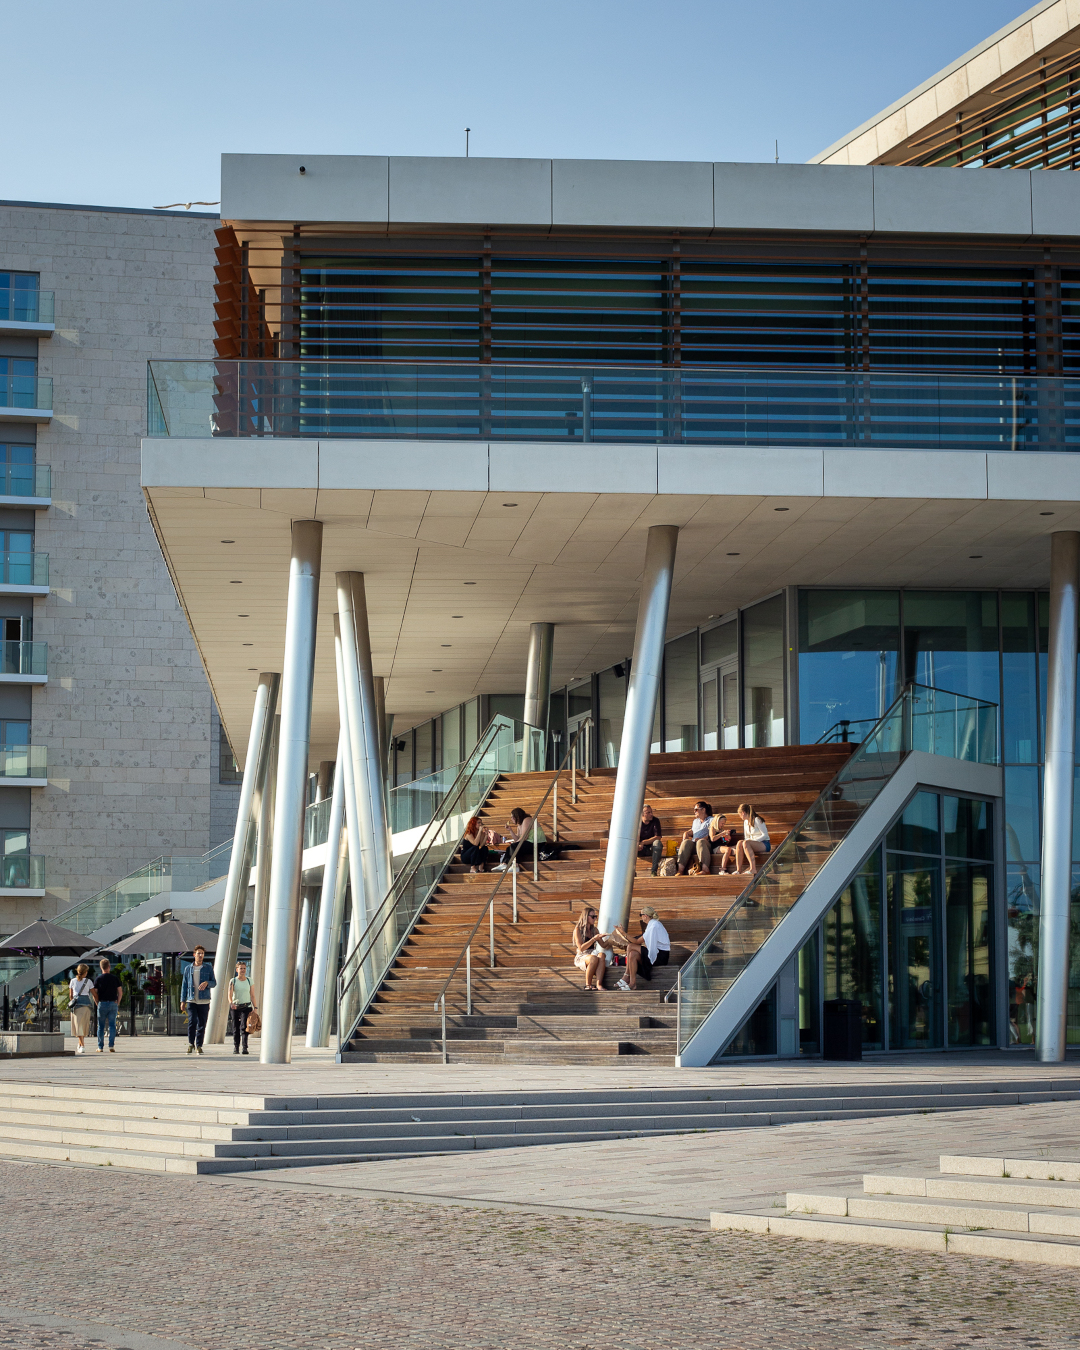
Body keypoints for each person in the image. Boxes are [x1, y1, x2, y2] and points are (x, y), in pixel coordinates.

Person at [612, 906, 671, 990]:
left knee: (630, 946)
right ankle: (632, 983)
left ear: (645, 916)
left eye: (641, 915)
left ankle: (626, 975)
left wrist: (623, 933)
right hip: (658, 953)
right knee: (632, 954)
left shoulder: (654, 925)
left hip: (661, 956)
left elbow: (636, 941)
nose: (641, 917)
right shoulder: (652, 924)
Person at [180, 944, 216, 1055]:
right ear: (194, 955)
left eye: (202, 953)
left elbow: (214, 982)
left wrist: (207, 983)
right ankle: (191, 1044)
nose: (200, 955)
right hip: (191, 1000)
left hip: (204, 1001)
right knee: (192, 1022)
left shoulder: (208, 968)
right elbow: (184, 985)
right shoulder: (188, 968)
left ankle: (199, 1045)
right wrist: (182, 1001)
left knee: (202, 1023)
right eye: (198, 953)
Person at [490, 807, 546, 872]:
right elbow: (517, 839)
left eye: (512, 817)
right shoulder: (519, 825)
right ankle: (504, 863)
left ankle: (516, 865)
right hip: (529, 843)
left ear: (517, 816)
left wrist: (515, 844)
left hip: (538, 843)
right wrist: (510, 830)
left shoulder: (527, 820)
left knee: (514, 846)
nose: (511, 819)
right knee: (509, 848)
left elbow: (524, 837)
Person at [571, 905, 609, 991]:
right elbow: (581, 948)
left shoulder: (594, 930)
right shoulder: (578, 930)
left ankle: (599, 985)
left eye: (595, 916)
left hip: (592, 953)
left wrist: (612, 939)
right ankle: (588, 985)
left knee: (602, 955)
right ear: (586, 917)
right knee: (593, 958)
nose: (595, 919)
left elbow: (603, 945)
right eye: (593, 916)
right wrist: (594, 939)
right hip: (582, 955)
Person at [92, 957, 123, 1053]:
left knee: (101, 1026)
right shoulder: (115, 978)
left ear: (101, 967)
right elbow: (120, 992)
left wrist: (97, 1003)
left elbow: (94, 993)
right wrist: (118, 1002)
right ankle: (111, 1046)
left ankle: (100, 1047)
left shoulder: (98, 979)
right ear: (109, 967)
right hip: (113, 1002)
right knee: (112, 1025)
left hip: (102, 1002)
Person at [676, 802, 713, 876]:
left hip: (706, 844)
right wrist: (687, 833)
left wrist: (702, 838)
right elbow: (693, 831)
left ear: (703, 810)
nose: (694, 811)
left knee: (701, 842)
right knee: (686, 842)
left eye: (696, 810)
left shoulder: (712, 820)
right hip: (695, 843)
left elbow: (713, 833)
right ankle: (680, 870)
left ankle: (705, 869)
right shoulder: (695, 821)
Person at [229, 959, 257, 1055]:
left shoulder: (249, 981)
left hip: (246, 1006)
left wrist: (255, 1007)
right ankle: (236, 1047)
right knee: (235, 1027)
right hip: (236, 1007)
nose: (243, 970)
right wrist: (231, 1003)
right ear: (237, 970)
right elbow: (230, 994)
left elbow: (252, 995)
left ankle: (245, 1047)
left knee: (245, 1027)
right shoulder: (233, 981)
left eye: (244, 968)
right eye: (241, 968)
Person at [734, 803, 770, 878]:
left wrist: (753, 841)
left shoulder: (757, 820)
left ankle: (753, 868)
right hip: (751, 843)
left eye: (740, 814)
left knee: (746, 843)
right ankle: (738, 870)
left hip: (763, 843)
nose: (740, 816)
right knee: (740, 842)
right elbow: (746, 837)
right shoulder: (745, 822)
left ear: (743, 813)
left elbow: (765, 835)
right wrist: (749, 841)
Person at [68, 963, 95, 1055]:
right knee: (83, 1026)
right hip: (86, 1005)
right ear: (85, 972)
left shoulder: (73, 981)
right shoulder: (89, 981)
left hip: (76, 1006)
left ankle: (82, 1045)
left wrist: (73, 1001)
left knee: (78, 1026)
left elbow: (71, 995)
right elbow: (94, 994)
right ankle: (80, 1044)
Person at [637, 803, 663, 876]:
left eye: (651, 812)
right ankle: (631, 872)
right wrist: (637, 845)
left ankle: (654, 871)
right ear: (642, 814)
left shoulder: (655, 820)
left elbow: (658, 837)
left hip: (652, 848)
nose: (651, 814)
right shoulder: (636, 822)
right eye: (648, 813)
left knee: (657, 843)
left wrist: (643, 842)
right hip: (639, 849)